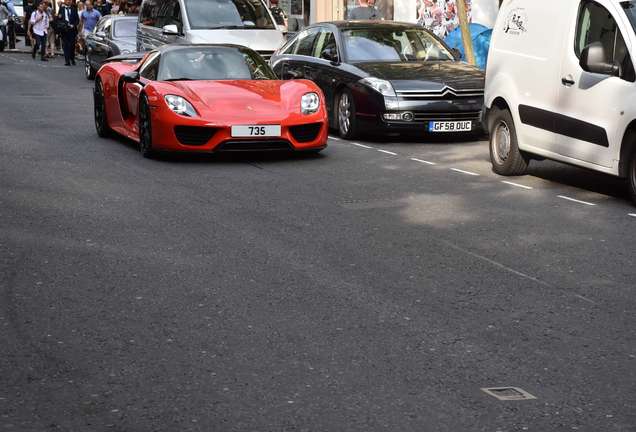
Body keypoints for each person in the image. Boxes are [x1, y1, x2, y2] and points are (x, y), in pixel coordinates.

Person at [57, 0, 78, 65]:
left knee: (72, 45)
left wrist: (73, 25)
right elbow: (59, 19)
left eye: (70, 0)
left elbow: (77, 20)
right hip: (64, 30)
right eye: (67, 0)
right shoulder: (61, 9)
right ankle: (67, 61)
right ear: (65, 1)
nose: (68, 1)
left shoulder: (74, 9)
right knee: (65, 45)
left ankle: (72, 58)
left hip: (72, 30)